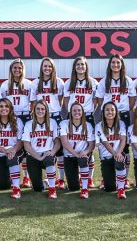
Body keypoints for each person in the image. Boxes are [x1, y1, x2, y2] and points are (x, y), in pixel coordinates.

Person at [96, 54, 133, 188]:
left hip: (123, 115)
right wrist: (107, 110)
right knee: (105, 142)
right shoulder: (103, 81)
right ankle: (105, 178)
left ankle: (125, 178)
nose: (116, 65)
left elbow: (132, 100)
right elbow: (100, 100)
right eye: (113, 62)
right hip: (108, 114)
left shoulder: (128, 81)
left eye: (118, 63)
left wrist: (123, 111)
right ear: (109, 64)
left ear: (122, 65)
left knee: (125, 146)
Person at [30, 57, 65, 189]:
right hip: (40, 117)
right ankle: (32, 176)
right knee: (41, 145)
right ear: (41, 68)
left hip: (55, 116)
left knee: (59, 149)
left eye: (50, 66)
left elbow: (60, 101)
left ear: (53, 68)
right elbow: (33, 103)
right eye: (45, 66)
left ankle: (61, 179)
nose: (47, 68)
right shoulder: (35, 83)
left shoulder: (59, 82)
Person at [63, 56, 98, 188]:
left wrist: (88, 110)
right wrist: (74, 113)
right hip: (73, 115)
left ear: (86, 66)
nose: (80, 67)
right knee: (73, 141)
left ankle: (89, 178)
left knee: (89, 145)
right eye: (78, 65)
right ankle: (75, 175)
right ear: (74, 67)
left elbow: (96, 100)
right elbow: (65, 101)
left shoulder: (92, 82)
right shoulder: (69, 83)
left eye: (82, 64)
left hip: (88, 115)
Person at [0, 58, 32, 188]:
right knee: (14, 144)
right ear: (11, 69)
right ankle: (13, 173)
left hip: (25, 116)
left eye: (19, 68)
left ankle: (26, 177)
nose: (17, 70)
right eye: (15, 68)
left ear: (23, 69)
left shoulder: (29, 84)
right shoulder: (4, 85)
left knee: (26, 146)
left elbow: (33, 102)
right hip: (11, 117)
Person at [22, 100, 61, 199]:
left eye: (42, 109)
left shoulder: (52, 122)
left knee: (49, 159)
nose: (40, 111)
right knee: (37, 188)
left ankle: (52, 189)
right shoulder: (28, 124)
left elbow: (57, 143)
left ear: (46, 110)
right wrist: (38, 157)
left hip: (47, 154)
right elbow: (26, 145)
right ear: (34, 110)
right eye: (38, 109)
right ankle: (46, 182)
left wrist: (52, 152)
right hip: (33, 156)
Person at [0, 98, 24, 199]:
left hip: (14, 152)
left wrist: (13, 150)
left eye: (6, 106)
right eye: (1, 106)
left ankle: (16, 189)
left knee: (12, 158)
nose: (4, 108)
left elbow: (21, 141)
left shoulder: (17, 121)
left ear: (10, 108)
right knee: (3, 186)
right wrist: (5, 150)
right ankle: (10, 178)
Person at [59, 103, 95, 199]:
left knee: (83, 159)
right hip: (69, 156)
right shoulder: (64, 123)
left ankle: (84, 188)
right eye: (74, 110)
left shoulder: (88, 125)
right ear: (70, 112)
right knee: (73, 187)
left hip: (82, 155)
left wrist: (86, 151)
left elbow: (92, 144)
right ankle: (78, 180)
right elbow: (64, 143)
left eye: (79, 110)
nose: (77, 112)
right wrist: (76, 154)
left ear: (82, 112)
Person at [95, 102, 128, 199]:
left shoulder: (121, 123)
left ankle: (121, 189)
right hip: (106, 157)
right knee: (109, 188)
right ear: (103, 112)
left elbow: (123, 139)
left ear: (116, 112)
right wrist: (115, 153)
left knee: (119, 160)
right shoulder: (99, 125)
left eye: (112, 110)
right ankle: (115, 180)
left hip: (118, 155)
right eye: (107, 110)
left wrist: (118, 153)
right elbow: (105, 142)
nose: (110, 112)